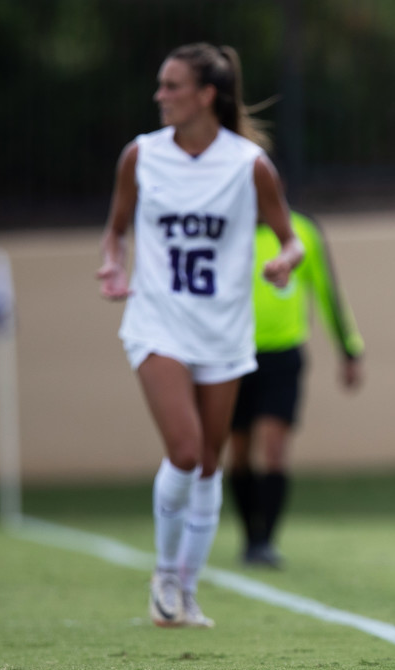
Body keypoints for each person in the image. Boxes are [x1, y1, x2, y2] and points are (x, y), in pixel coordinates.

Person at [97, 43, 303, 629]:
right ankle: (164, 574)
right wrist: (113, 263)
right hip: (158, 323)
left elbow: (289, 237)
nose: (160, 96)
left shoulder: (248, 164)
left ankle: (185, 592)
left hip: (224, 331)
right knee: (185, 452)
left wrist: (285, 261)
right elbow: (115, 231)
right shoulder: (140, 156)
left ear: (205, 95)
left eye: (171, 86)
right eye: (160, 85)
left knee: (210, 463)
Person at [227, 211, 365, 567]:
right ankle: (249, 534)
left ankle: (266, 541)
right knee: (239, 453)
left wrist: (348, 349)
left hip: (283, 357)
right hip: (231, 355)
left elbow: (326, 291)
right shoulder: (226, 224)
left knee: (274, 449)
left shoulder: (302, 231)